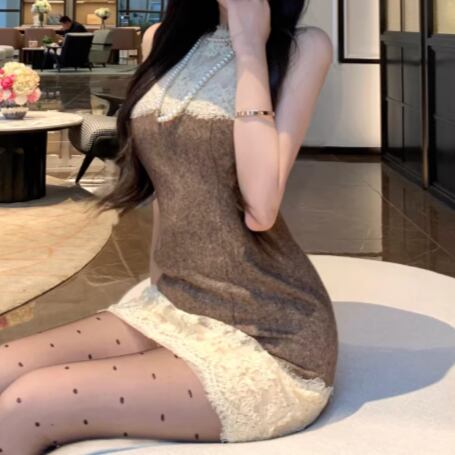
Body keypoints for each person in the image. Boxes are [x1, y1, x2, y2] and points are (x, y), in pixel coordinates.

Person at [0, 0, 338, 452]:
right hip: (176, 303)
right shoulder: (161, 39)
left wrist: (249, 49)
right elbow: (167, 186)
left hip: (269, 332)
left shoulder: (302, 47)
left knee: (27, 403)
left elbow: (261, 207)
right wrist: (158, 292)